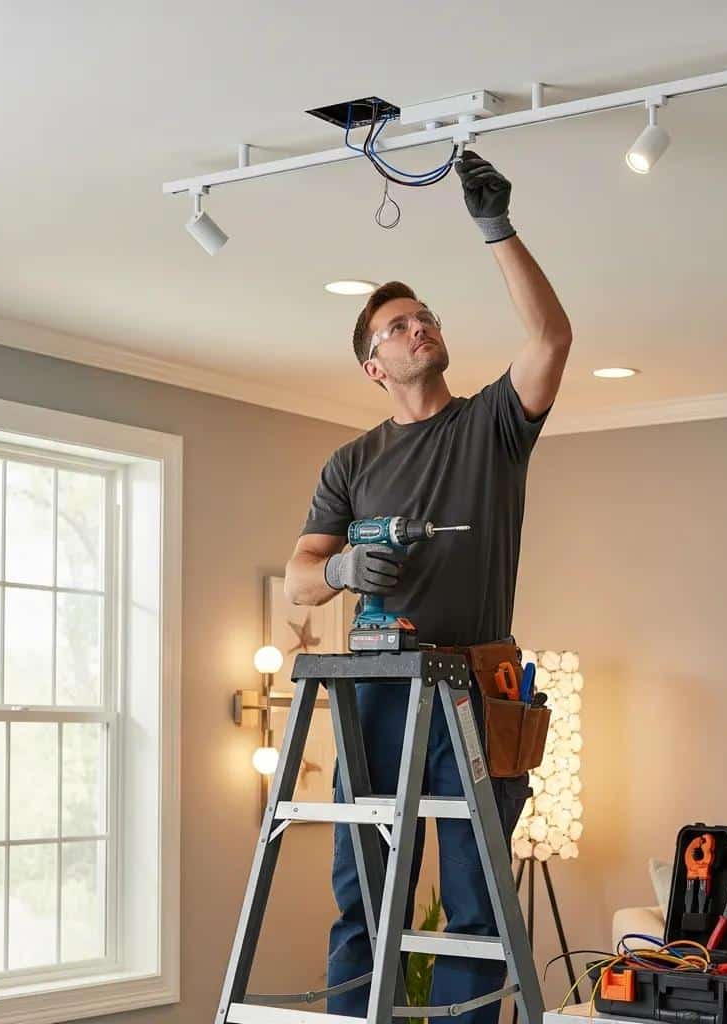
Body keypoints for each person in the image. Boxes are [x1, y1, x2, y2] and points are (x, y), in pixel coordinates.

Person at [284, 150, 572, 1023]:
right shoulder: (352, 462)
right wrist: (339, 569)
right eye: (401, 326)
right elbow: (300, 579)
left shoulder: (491, 428)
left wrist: (497, 226)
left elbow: (552, 341)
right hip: (376, 696)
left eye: (427, 317)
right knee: (366, 898)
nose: (421, 328)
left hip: (476, 687)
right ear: (374, 364)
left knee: (477, 906)